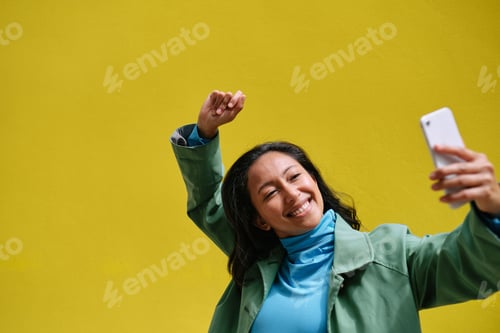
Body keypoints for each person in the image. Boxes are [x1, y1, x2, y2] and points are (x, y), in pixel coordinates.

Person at [170, 90, 500, 332]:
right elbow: (211, 205)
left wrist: (491, 207)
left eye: (295, 176)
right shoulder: (258, 265)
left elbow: (472, 265)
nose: (291, 193)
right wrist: (204, 132)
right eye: (270, 192)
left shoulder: (391, 256)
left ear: (313, 179)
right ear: (259, 219)